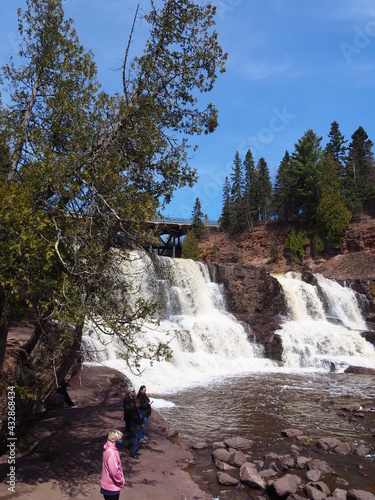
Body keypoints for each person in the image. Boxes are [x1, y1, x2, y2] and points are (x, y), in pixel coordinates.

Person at [100, 429, 125, 500]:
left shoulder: (108, 449)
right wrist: (120, 480)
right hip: (112, 487)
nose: (121, 441)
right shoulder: (112, 453)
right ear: (114, 439)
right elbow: (113, 472)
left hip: (107, 486)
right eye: (119, 439)